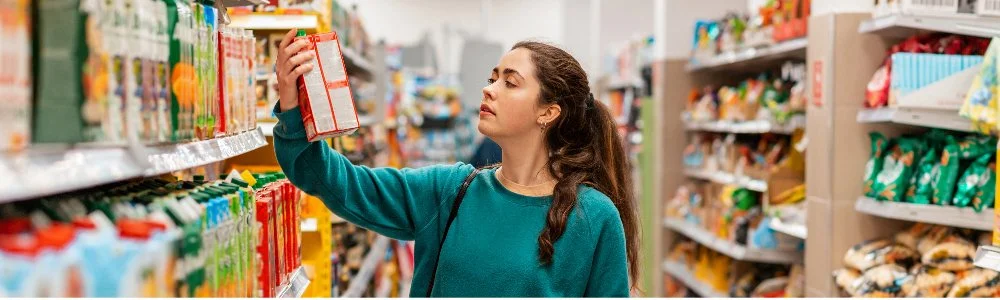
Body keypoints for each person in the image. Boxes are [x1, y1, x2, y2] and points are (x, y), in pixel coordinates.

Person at [271, 28, 638, 297]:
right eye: (492, 78)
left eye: (510, 83)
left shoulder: (593, 217)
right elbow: (334, 180)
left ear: (548, 111)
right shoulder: (449, 192)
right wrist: (293, 107)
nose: (489, 89)